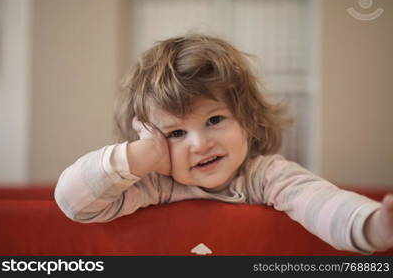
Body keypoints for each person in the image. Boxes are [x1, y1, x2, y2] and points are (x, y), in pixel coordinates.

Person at [54, 33, 393, 254]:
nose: (201, 144)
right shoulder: (154, 184)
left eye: (214, 120)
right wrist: (140, 156)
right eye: (175, 134)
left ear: (247, 119)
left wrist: (375, 226)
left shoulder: (265, 175)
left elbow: (320, 203)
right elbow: (74, 203)